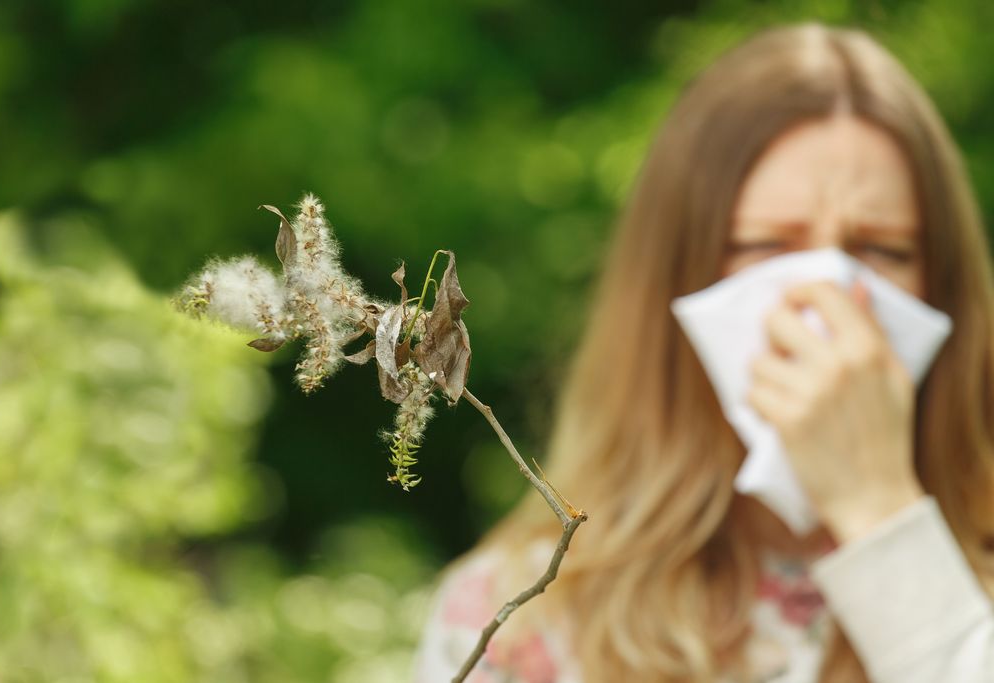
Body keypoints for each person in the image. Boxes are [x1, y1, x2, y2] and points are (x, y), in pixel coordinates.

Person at [412, 20, 994, 683]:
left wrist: (878, 507)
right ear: (677, 277)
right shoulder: (518, 617)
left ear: (943, 288)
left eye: (884, 250)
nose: (824, 292)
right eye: (767, 245)